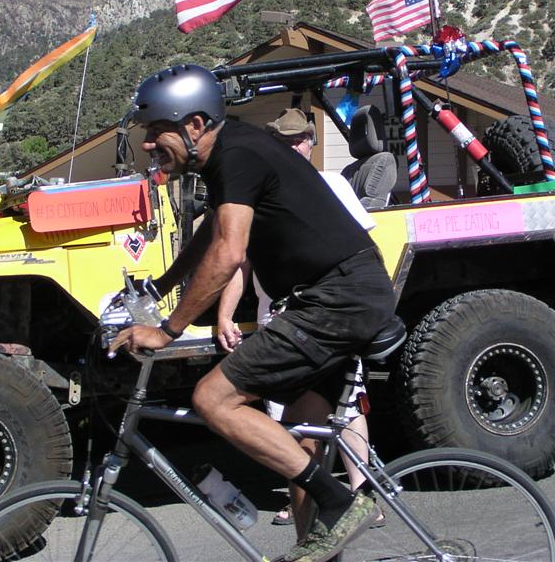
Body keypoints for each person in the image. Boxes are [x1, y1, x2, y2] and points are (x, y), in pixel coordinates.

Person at [110, 66, 395, 562]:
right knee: (299, 445)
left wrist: (167, 331)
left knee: (212, 398)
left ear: (194, 124)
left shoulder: (237, 155)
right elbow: (211, 234)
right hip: (336, 295)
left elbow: (227, 253)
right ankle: (314, 549)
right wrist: (163, 285)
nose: (149, 143)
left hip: (337, 298)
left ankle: (342, 502)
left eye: (157, 130)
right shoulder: (230, 153)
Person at [215, 108, 384, 537]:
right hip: (280, 318)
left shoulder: (331, 184)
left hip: (323, 314)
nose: (294, 146)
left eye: (301, 139)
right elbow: (239, 261)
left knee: (346, 408)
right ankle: (313, 514)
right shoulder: (259, 187)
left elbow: (362, 244)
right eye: (285, 140)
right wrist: (224, 313)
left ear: (312, 141)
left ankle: (360, 495)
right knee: (291, 426)